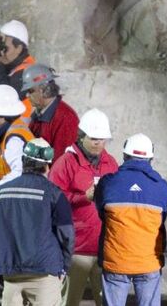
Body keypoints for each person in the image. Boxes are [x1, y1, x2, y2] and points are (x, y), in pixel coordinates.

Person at [0, 138, 74, 306]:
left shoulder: (1, 192)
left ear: (23, 161)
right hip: (44, 271)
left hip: (9, 271)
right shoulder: (54, 194)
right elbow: (66, 234)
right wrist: (64, 266)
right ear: (48, 165)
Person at [48, 108, 119, 306]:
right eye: (94, 138)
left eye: (102, 139)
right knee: (68, 302)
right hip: (75, 250)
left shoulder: (110, 163)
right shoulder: (65, 163)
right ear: (81, 137)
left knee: (107, 302)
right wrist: (83, 197)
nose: (99, 143)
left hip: (104, 248)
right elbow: (53, 200)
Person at [94, 133, 167, 306]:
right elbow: (161, 219)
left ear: (124, 155)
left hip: (115, 262)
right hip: (148, 262)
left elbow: (101, 213)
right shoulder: (161, 186)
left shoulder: (108, 183)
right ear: (151, 157)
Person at [23, 64, 79, 162]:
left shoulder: (65, 117)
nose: (27, 95)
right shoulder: (39, 114)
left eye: (30, 91)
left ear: (43, 90)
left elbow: (61, 161)